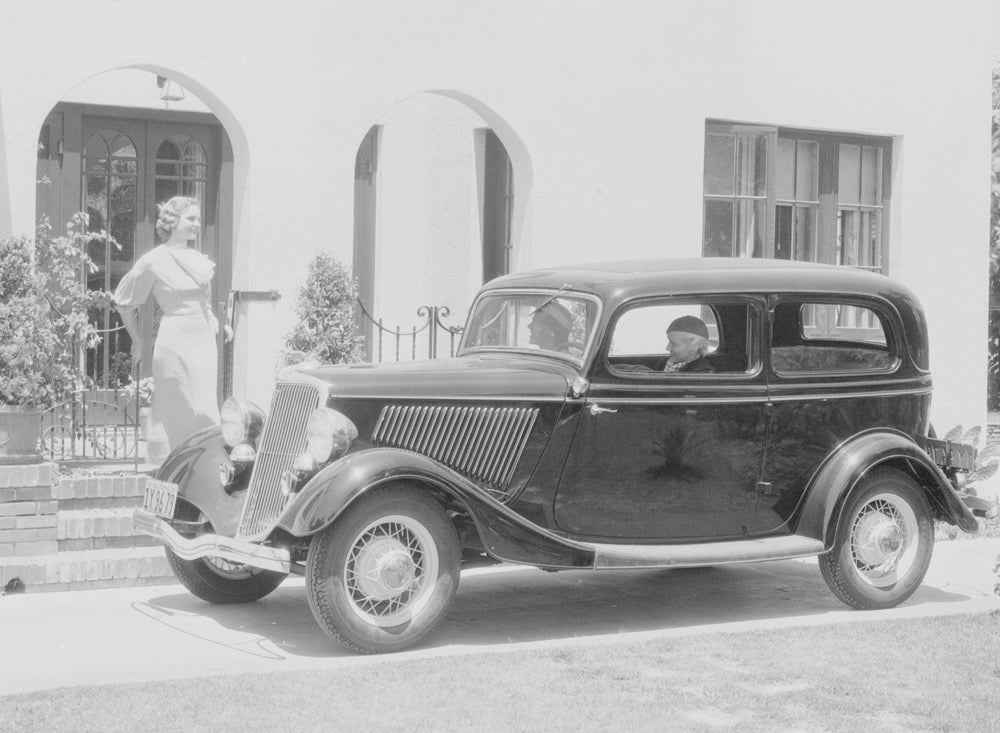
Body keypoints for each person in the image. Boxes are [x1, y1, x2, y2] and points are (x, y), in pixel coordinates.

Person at [114, 197, 227, 464]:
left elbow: (206, 302)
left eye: (198, 219)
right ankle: (169, 463)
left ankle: (204, 462)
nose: (196, 225)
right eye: (191, 219)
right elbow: (124, 303)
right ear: (172, 222)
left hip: (202, 340)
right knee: (176, 402)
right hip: (174, 340)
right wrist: (138, 341)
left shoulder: (198, 260)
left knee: (204, 404)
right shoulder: (154, 260)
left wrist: (215, 321)